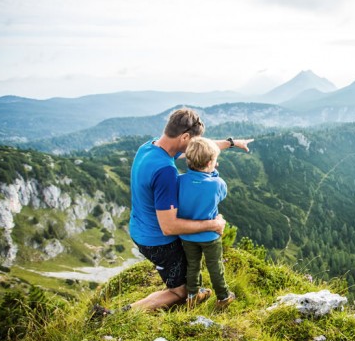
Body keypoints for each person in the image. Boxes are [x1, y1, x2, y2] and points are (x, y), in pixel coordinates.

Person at [93, 108, 252, 316]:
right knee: (182, 292)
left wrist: (231, 142)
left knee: (191, 275)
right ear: (184, 137)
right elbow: (169, 227)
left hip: (140, 228)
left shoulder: (149, 147)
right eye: (193, 141)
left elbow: (202, 149)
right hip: (158, 241)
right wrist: (213, 224)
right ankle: (116, 315)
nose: (195, 147)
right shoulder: (166, 172)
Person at [178, 137, 235, 309]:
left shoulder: (179, 181)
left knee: (192, 265)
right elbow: (222, 193)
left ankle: (193, 294)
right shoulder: (217, 183)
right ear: (211, 162)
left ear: (188, 160)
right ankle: (223, 296)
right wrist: (213, 173)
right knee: (214, 265)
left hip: (187, 235)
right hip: (210, 235)